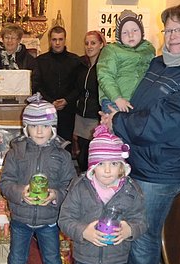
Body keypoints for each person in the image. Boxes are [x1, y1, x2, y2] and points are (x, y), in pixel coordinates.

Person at [100, 3, 180, 264]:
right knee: (129, 230)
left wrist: (118, 123)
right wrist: (113, 111)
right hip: (137, 160)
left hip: (160, 171)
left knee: (142, 237)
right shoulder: (159, 63)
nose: (173, 36)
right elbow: (136, 103)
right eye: (169, 29)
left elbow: (161, 125)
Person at [0, 93, 76, 264]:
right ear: (26, 127)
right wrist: (20, 193)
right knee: (16, 257)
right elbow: (5, 182)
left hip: (49, 218)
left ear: (53, 127)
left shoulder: (62, 154)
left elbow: (71, 185)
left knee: (52, 258)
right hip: (21, 217)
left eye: (45, 125)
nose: (39, 131)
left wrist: (56, 195)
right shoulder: (16, 152)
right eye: (34, 126)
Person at [59, 124, 146, 264]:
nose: (107, 170)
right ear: (92, 166)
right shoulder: (80, 188)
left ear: (122, 167)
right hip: (85, 260)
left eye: (114, 163)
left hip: (116, 262)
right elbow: (65, 219)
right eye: (101, 164)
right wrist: (84, 231)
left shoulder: (131, 191)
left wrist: (130, 230)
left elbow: (142, 221)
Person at [97, 9, 155, 113]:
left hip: (138, 101)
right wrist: (117, 98)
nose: (130, 35)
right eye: (125, 32)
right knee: (115, 126)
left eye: (135, 30)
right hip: (114, 100)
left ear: (142, 32)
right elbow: (105, 76)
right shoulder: (111, 50)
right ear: (118, 36)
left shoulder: (149, 50)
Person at [36, 25, 81, 151]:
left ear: (65, 40)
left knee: (65, 145)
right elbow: (37, 85)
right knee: (46, 143)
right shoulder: (41, 61)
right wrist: (51, 102)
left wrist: (66, 100)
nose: (57, 43)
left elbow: (78, 86)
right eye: (54, 39)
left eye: (60, 39)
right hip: (47, 110)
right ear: (50, 40)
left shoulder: (75, 60)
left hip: (68, 110)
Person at [73, 30, 106, 172]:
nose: (89, 46)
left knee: (91, 155)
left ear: (101, 45)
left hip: (95, 117)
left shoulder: (104, 67)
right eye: (86, 43)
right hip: (81, 116)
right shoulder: (82, 65)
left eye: (93, 43)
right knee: (81, 156)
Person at [0, 23, 39, 93]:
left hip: (21, 95)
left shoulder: (28, 59)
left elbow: (35, 80)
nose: (9, 41)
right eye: (7, 37)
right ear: (2, 39)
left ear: (19, 40)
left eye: (13, 38)